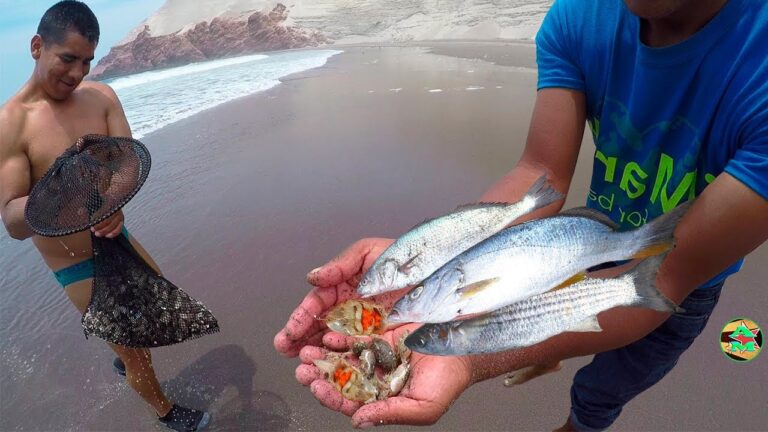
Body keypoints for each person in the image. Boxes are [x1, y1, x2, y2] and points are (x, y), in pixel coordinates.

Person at [274, 0, 768, 429]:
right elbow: (541, 176)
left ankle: (580, 425)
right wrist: (426, 260)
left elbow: (673, 271)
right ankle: (553, 348)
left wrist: (472, 353)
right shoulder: (579, 16)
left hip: (690, 269)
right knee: (561, 320)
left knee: (612, 381)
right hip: (575, 242)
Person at [0, 2, 210, 431]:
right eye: (67, 59)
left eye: (87, 61)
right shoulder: (11, 125)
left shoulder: (101, 97)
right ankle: (166, 412)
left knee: (157, 311)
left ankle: (122, 352)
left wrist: (114, 205)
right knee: (138, 351)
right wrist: (57, 190)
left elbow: (125, 164)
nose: (77, 73)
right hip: (75, 263)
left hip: (117, 238)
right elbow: (12, 220)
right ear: (37, 46)